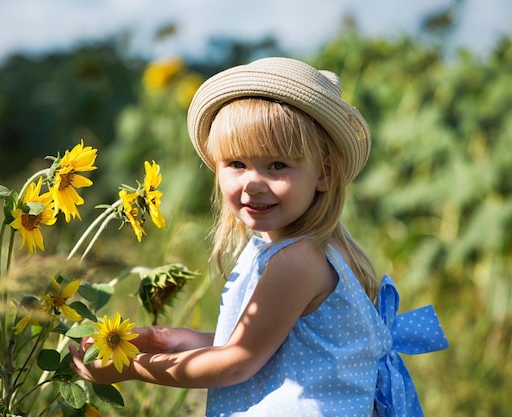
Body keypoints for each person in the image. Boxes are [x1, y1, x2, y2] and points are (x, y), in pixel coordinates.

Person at [70, 57, 449, 417]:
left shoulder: (298, 261)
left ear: (324, 174)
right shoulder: (307, 249)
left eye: (277, 165)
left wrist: (134, 367)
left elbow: (236, 363)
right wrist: (178, 339)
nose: (252, 183)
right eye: (237, 163)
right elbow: (277, 345)